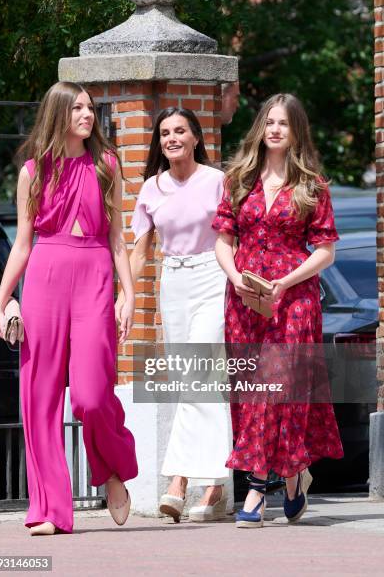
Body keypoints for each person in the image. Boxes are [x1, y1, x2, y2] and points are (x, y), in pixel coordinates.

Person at [0, 82, 138, 535]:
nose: (87, 114)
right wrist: (2, 301)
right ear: (58, 113)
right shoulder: (33, 172)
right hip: (45, 279)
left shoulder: (107, 165)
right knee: (40, 399)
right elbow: (21, 245)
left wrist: (128, 294)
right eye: (77, 107)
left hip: (94, 276)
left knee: (93, 396)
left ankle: (113, 471)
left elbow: (117, 238)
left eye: (90, 108)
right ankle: (51, 510)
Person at [213, 93, 344, 528]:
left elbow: (325, 251)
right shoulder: (238, 179)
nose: (274, 130)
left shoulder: (312, 185)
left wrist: (285, 283)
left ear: (295, 131)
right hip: (245, 300)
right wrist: (234, 277)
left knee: (279, 387)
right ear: (260, 128)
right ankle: (291, 476)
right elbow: (223, 241)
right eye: (269, 122)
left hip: (294, 300)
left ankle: (255, 488)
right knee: (254, 391)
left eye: (283, 124)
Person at [118, 107, 231, 522]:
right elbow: (141, 250)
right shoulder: (151, 187)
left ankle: (179, 480)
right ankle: (215, 486)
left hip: (211, 277)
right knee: (193, 379)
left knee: (198, 374)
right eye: (164, 133)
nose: (172, 138)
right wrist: (126, 298)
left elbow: (230, 238)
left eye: (180, 130)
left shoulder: (218, 181)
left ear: (196, 137)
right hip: (173, 282)